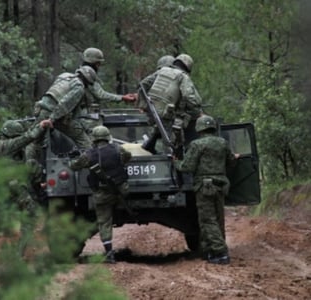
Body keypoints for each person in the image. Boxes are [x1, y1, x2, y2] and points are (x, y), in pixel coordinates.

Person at [173, 115, 239, 265]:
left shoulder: (197, 145)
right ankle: (211, 250)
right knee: (218, 219)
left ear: (199, 128)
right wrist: (236, 157)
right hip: (221, 184)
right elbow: (231, 162)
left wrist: (176, 162)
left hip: (204, 186)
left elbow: (187, 167)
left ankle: (220, 252)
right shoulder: (223, 143)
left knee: (207, 220)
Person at [69, 125, 132, 263]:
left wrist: (73, 159)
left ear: (94, 139)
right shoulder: (117, 148)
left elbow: (74, 166)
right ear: (107, 137)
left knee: (104, 222)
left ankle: (109, 253)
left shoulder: (89, 154)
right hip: (122, 190)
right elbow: (128, 156)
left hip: (103, 194)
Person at [0, 119, 49, 256]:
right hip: (13, 186)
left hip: (8, 186)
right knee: (31, 215)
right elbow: (26, 138)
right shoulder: (5, 146)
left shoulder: (4, 146)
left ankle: (14, 251)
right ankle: (18, 253)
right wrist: (40, 127)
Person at [139, 53, 203, 154]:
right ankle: (172, 157)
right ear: (188, 67)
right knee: (174, 138)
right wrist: (197, 108)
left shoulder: (162, 71)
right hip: (168, 113)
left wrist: (144, 104)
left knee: (160, 127)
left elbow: (143, 84)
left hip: (153, 109)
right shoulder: (183, 76)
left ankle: (149, 144)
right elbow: (188, 96)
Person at [33, 65, 98, 149]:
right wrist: (51, 119)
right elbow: (64, 104)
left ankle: (29, 160)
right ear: (86, 80)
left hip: (41, 109)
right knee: (81, 138)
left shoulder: (64, 76)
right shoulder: (79, 87)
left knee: (34, 138)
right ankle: (90, 158)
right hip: (54, 115)